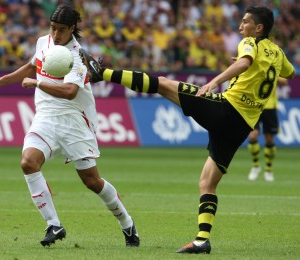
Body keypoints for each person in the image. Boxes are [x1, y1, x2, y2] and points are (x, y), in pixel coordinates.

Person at [79, 6, 294, 254]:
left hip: (226, 110)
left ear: (259, 28)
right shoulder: (277, 53)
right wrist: (258, 68)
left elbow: (245, 62)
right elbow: (288, 73)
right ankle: (202, 239)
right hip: (241, 127)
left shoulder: (249, 43)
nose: (240, 27)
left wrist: (215, 80)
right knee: (207, 183)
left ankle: (101, 72)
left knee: (163, 84)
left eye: (245, 22)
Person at [0, 4, 139, 248]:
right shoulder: (43, 42)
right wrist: (0, 82)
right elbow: (32, 66)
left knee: (92, 181)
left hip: (74, 121)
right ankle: (53, 224)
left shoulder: (78, 56)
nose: (56, 35)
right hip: (45, 117)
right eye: (53, 28)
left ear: (72, 29)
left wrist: (37, 84)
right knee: (28, 163)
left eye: (61, 30)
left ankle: (127, 224)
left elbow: (70, 91)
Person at [247, 78, 289, 182]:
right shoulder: (254, 64)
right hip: (254, 105)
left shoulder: (273, 66)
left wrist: (272, 76)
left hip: (270, 107)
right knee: (252, 136)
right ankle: (256, 166)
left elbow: (285, 83)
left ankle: (268, 169)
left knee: (269, 140)